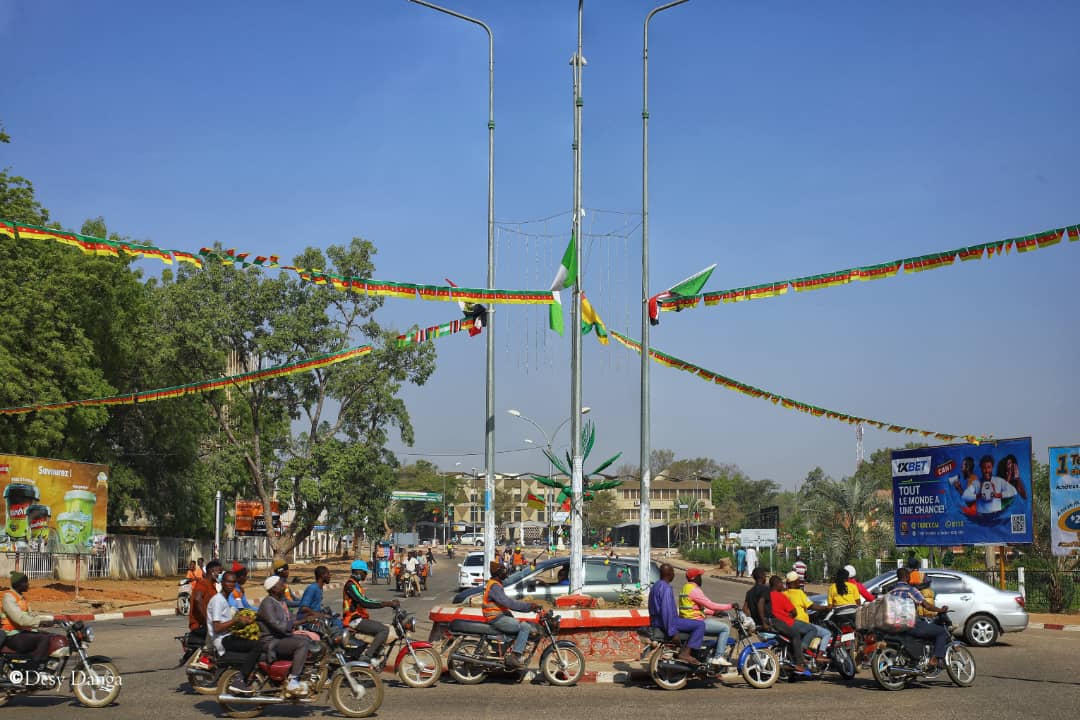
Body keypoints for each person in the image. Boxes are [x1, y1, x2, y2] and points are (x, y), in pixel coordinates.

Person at [208, 571, 263, 696]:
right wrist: (236, 620)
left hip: (227, 635)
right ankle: (239, 680)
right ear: (222, 582)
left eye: (233, 582)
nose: (230, 585)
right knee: (257, 645)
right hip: (222, 639)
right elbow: (217, 627)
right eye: (228, 581)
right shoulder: (218, 601)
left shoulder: (225, 599)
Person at [482, 561, 543, 668]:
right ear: (498, 573)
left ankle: (504, 651)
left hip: (499, 616)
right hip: (496, 618)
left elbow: (516, 577)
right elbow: (509, 603)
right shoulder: (495, 586)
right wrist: (529, 607)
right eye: (504, 571)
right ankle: (515, 656)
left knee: (517, 626)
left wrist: (529, 568)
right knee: (524, 627)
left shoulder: (496, 584)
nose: (506, 573)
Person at [258, 576, 311, 697]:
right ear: (274, 588)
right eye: (281, 585)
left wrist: (309, 617)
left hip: (281, 637)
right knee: (303, 643)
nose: (284, 587)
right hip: (271, 641)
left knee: (308, 639)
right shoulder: (267, 603)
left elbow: (290, 619)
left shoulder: (280, 602)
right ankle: (293, 680)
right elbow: (279, 626)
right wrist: (303, 621)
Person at [888, 567, 950, 669]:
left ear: (898, 577)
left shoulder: (891, 591)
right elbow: (927, 606)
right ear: (907, 577)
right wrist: (940, 610)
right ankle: (934, 659)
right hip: (911, 624)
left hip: (896, 625)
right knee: (941, 632)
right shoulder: (911, 590)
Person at [343, 560, 400, 667]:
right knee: (384, 630)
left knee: (381, 628)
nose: (366, 575)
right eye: (364, 572)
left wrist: (387, 603)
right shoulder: (351, 585)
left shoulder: (356, 585)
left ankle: (375, 654)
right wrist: (387, 603)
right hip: (353, 619)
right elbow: (364, 602)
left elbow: (366, 600)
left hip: (359, 618)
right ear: (358, 572)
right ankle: (368, 656)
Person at [648, 563, 705, 666]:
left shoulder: (656, 586)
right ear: (669, 574)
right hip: (666, 622)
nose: (674, 575)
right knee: (700, 625)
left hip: (656, 621)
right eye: (673, 572)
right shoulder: (665, 588)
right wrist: (673, 632)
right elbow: (666, 611)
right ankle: (686, 653)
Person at [678, 568, 734, 667]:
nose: (701, 579)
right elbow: (711, 605)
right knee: (725, 628)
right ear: (695, 578)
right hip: (696, 621)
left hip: (687, 620)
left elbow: (694, 608)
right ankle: (718, 657)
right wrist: (731, 606)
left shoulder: (685, 587)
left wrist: (713, 613)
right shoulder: (694, 590)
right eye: (699, 576)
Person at [1, 572, 54, 667]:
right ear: (19, 584)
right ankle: (33, 666)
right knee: (43, 638)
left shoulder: (22, 598)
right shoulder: (8, 598)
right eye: (26, 582)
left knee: (51, 636)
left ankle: (47, 666)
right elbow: (19, 619)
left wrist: (50, 619)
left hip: (22, 632)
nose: (28, 584)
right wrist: (40, 622)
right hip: (12, 635)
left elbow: (30, 616)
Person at [768, 575, 812, 675]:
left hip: (772, 623)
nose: (782, 585)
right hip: (786, 622)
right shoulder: (781, 596)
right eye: (781, 583)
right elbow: (794, 612)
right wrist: (789, 615)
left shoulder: (768, 595)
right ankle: (800, 660)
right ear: (777, 584)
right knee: (808, 630)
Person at [783, 571, 832, 655]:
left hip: (790, 624)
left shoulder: (784, 594)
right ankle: (820, 655)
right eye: (798, 581)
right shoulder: (799, 593)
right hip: (803, 624)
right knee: (826, 633)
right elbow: (811, 606)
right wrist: (826, 608)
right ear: (795, 582)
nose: (800, 582)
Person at [298, 565, 341, 631]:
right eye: (328, 574)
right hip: (307, 619)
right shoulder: (312, 588)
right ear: (322, 575)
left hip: (316, 617)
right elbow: (303, 608)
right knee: (336, 624)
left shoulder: (319, 588)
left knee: (336, 618)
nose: (329, 576)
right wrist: (320, 615)